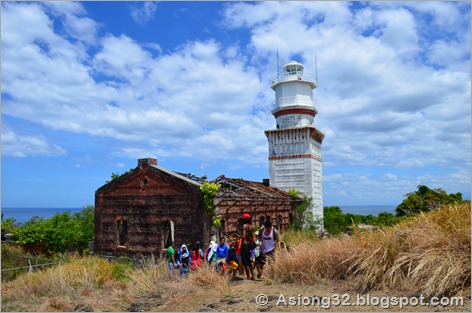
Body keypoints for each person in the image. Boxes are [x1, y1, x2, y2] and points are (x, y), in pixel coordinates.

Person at [240, 213, 255, 280]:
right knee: (249, 261)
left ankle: (248, 276)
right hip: (249, 245)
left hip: (244, 244)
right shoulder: (251, 227)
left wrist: (238, 236)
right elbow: (252, 237)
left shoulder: (244, 226)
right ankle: (253, 276)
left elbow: (243, 236)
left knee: (245, 261)